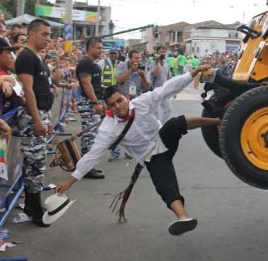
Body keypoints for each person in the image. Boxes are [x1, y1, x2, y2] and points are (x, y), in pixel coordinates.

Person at [55, 64, 220, 236]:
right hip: (151, 157)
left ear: (126, 97)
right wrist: (69, 181)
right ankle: (184, 218)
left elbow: (166, 89)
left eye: (120, 101)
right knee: (165, 187)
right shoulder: (107, 129)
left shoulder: (141, 102)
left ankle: (217, 121)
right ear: (108, 108)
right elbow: (92, 156)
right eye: (112, 105)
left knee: (174, 124)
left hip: (162, 139)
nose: (118, 106)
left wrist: (193, 73)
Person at [15, 19, 54, 227]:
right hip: (32, 115)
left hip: (40, 113)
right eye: (44, 34)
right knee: (34, 162)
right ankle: (34, 207)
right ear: (32, 34)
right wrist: (38, 119)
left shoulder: (36, 57)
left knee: (37, 162)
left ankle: (32, 204)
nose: (48, 38)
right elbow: (27, 90)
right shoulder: (26, 57)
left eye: (49, 35)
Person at [109, 49, 150, 161]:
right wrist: (131, 70)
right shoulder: (122, 66)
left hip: (135, 99)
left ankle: (129, 152)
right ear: (130, 58)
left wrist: (142, 76)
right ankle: (115, 152)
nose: (138, 60)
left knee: (133, 127)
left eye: (139, 58)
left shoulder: (143, 66)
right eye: (136, 58)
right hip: (122, 100)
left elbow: (146, 87)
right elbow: (118, 80)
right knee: (118, 126)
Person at [76, 36, 106, 179]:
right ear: (91, 48)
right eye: (99, 47)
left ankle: (89, 166)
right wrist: (95, 102)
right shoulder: (85, 63)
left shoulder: (91, 63)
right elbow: (86, 83)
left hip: (94, 102)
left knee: (93, 136)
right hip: (89, 103)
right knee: (89, 136)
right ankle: (86, 169)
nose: (101, 50)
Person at [148, 54, 173, 122]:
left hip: (165, 90)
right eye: (160, 52)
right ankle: (157, 126)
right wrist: (157, 63)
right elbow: (155, 74)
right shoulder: (153, 63)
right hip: (155, 89)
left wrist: (173, 90)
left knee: (168, 109)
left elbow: (169, 77)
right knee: (155, 111)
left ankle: (162, 125)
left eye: (164, 52)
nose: (162, 54)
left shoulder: (166, 64)